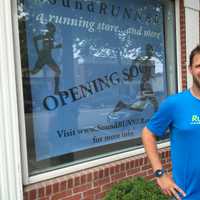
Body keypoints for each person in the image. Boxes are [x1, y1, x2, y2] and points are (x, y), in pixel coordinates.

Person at [142, 45, 200, 200]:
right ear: (190, 69)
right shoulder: (175, 104)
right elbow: (148, 133)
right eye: (199, 66)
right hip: (186, 195)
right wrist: (160, 174)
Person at [29, 22, 62, 94]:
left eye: (53, 28)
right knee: (34, 72)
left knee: (34, 72)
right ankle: (56, 91)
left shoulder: (51, 36)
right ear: (50, 28)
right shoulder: (46, 35)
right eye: (52, 28)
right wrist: (37, 50)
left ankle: (56, 91)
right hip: (45, 57)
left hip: (47, 56)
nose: (54, 29)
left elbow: (50, 47)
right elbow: (35, 39)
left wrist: (58, 46)